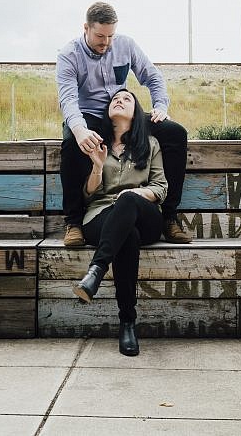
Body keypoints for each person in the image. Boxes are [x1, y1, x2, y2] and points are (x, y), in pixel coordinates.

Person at [56, 1, 193, 246]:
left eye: (111, 36)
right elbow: (68, 100)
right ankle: (73, 222)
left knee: (175, 133)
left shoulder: (126, 45)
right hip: (91, 117)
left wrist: (160, 107)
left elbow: (152, 76)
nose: (106, 42)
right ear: (85, 28)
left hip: (125, 111)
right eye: (100, 36)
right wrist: (79, 131)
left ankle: (169, 217)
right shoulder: (69, 55)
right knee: (71, 142)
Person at [72, 87, 166, 356]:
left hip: (143, 213)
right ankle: (128, 322)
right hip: (101, 216)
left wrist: (133, 194)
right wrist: (98, 166)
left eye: (127, 99)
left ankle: (96, 271)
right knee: (128, 237)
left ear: (136, 113)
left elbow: (160, 188)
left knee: (126, 203)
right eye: (115, 98)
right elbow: (89, 194)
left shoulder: (149, 145)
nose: (119, 101)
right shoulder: (97, 144)